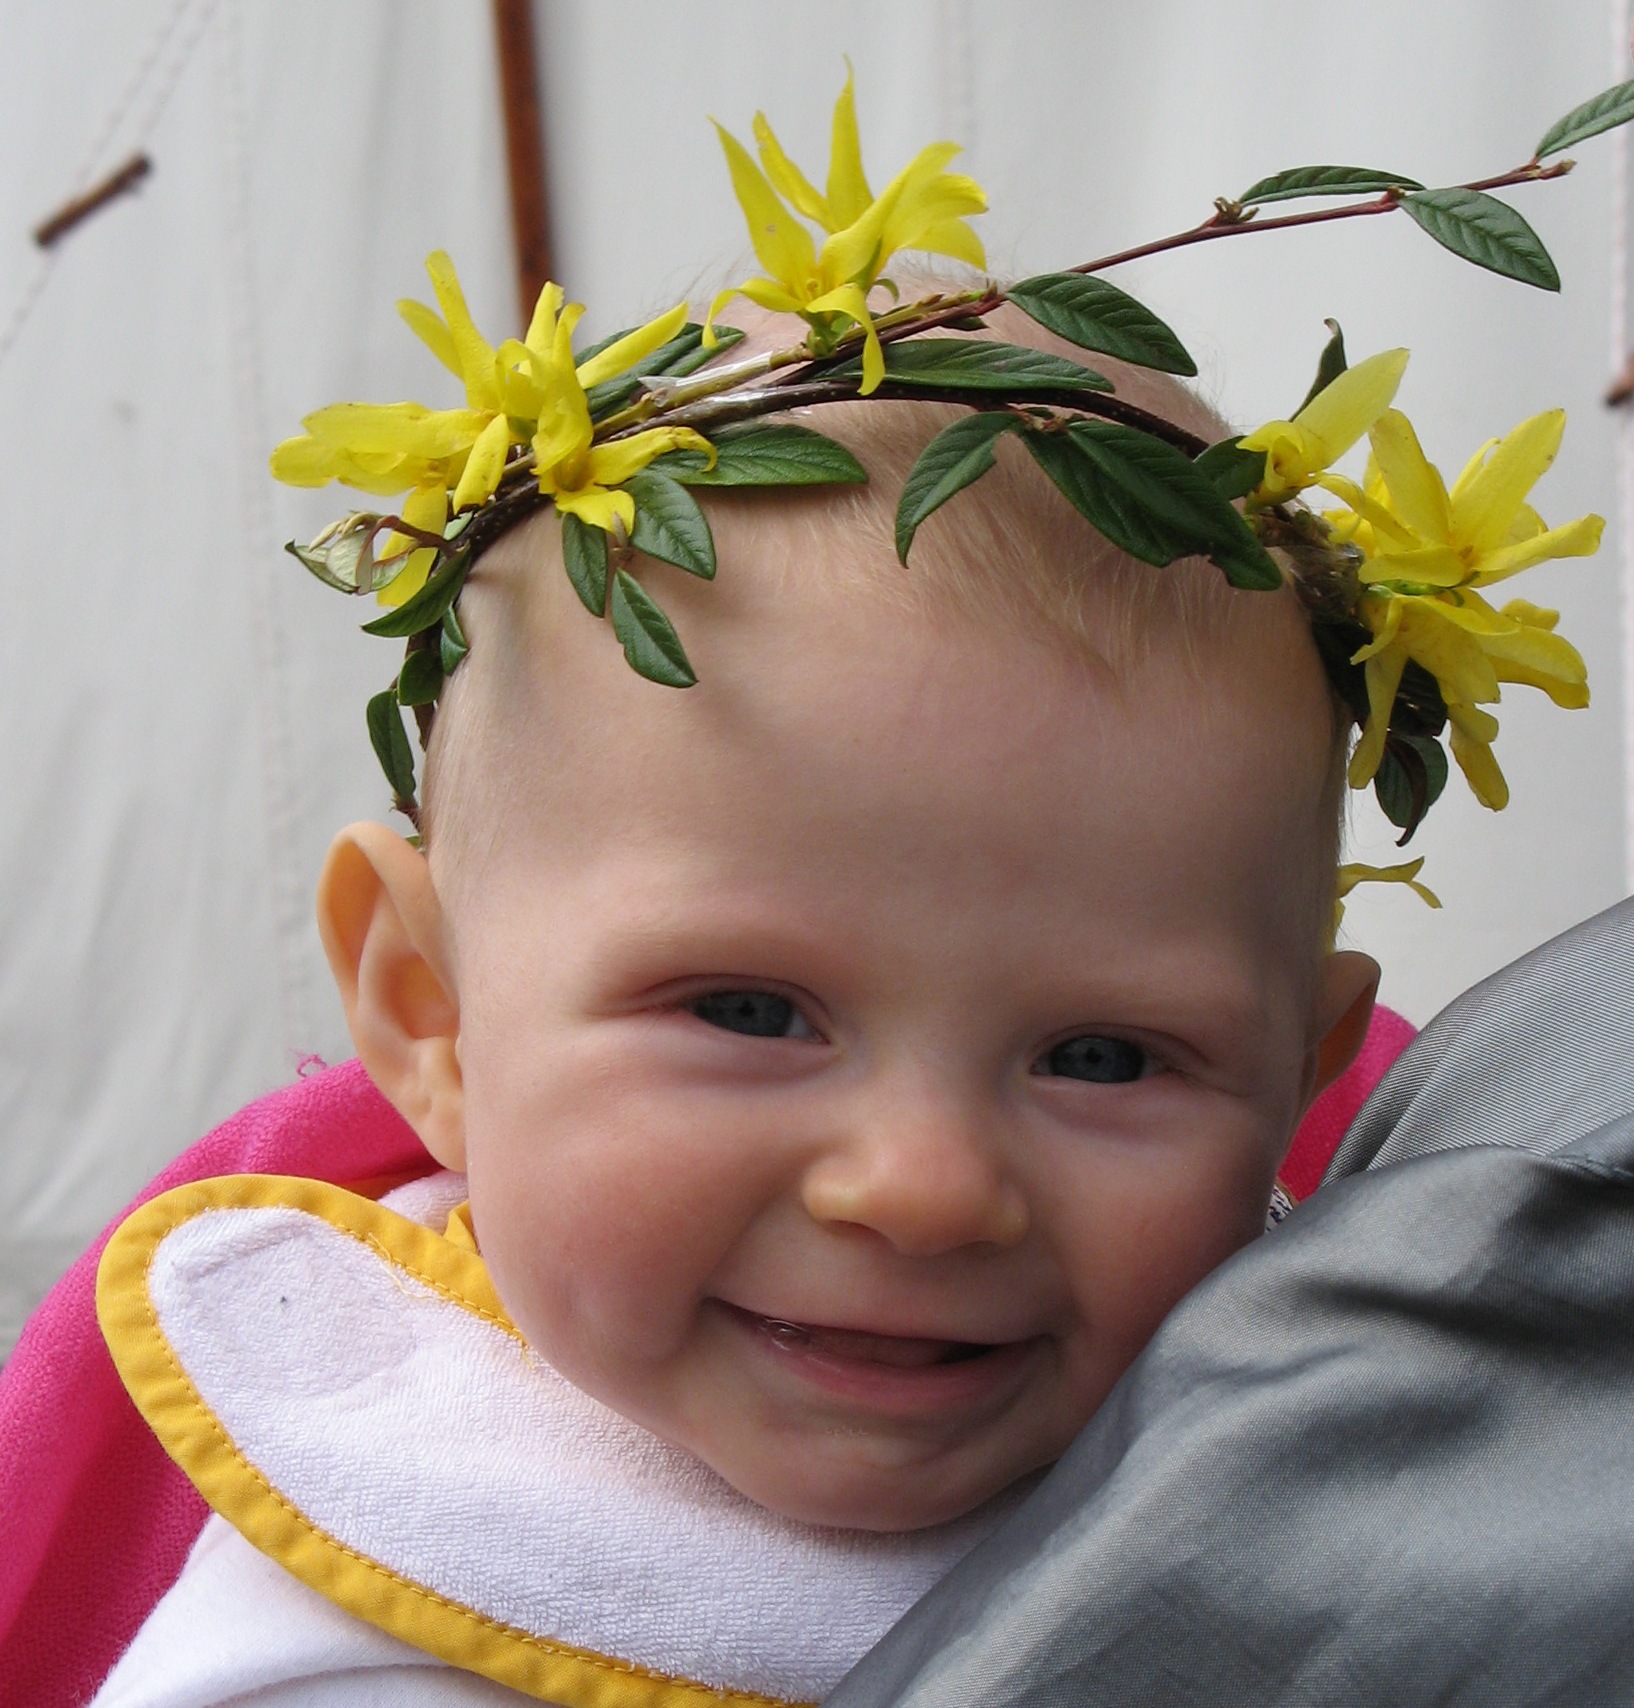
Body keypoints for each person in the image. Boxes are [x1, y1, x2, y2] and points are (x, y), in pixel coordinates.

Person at [0, 67, 1610, 1705]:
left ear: (1299, 1078)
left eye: (1105, 1057)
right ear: (432, 1010)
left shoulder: (1362, 1460)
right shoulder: (375, 1579)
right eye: (750, 1011)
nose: (918, 1187)